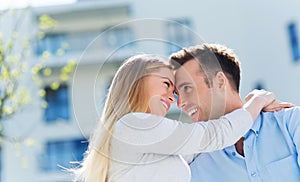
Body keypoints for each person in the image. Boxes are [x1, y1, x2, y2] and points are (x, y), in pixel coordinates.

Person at [74, 54, 280, 182]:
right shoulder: (134, 124)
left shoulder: (143, 139)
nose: (173, 98)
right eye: (166, 84)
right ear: (139, 80)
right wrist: (258, 100)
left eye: (175, 91)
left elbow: (200, 146)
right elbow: (214, 136)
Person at [169, 43, 299, 182]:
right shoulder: (194, 166)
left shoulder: (290, 122)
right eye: (177, 94)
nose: (180, 103)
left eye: (187, 88)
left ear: (219, 81)